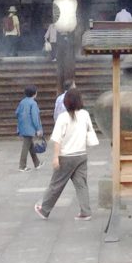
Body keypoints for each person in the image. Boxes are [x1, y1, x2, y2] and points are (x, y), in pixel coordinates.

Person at [34, 87, 96, 221]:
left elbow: (57, 139)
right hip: (81, 155)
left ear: (66, 102)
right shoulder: (85, 114)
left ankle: (44, 210)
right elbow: (89, 131)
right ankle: (86, 211)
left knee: (56, 184)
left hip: (66, 156)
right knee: (81, 184)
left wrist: (55, 157)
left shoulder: (63, 118)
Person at [16, 85, 44, 171]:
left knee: (30, 145)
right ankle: (22, 165)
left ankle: (37, 163)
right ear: (34, 94)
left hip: (22, 126)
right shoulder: (33, 103)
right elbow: (35, 117)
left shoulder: (22, 102)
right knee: (26, 146)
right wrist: (38, 128)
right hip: (30, 127)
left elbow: (17, 113)